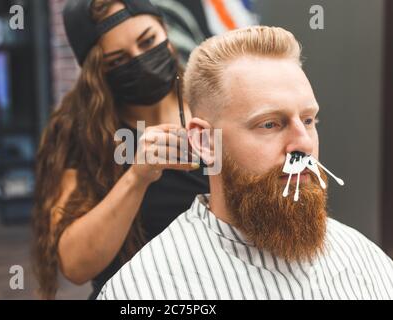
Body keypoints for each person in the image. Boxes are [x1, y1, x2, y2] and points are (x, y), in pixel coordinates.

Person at [96, 26, 393, 300]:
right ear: (205, 142)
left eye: (308, 120)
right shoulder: (146, 290)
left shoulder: (366, 261)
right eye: (270, 124)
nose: (303, 144)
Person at [32, 0, 209, 299]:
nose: (140, 60)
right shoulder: (80, 131)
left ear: (165, 31)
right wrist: (136, 178)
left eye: (148, 41)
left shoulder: (212, 103)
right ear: (95, 72)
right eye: (117, 60)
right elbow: (75, 265)